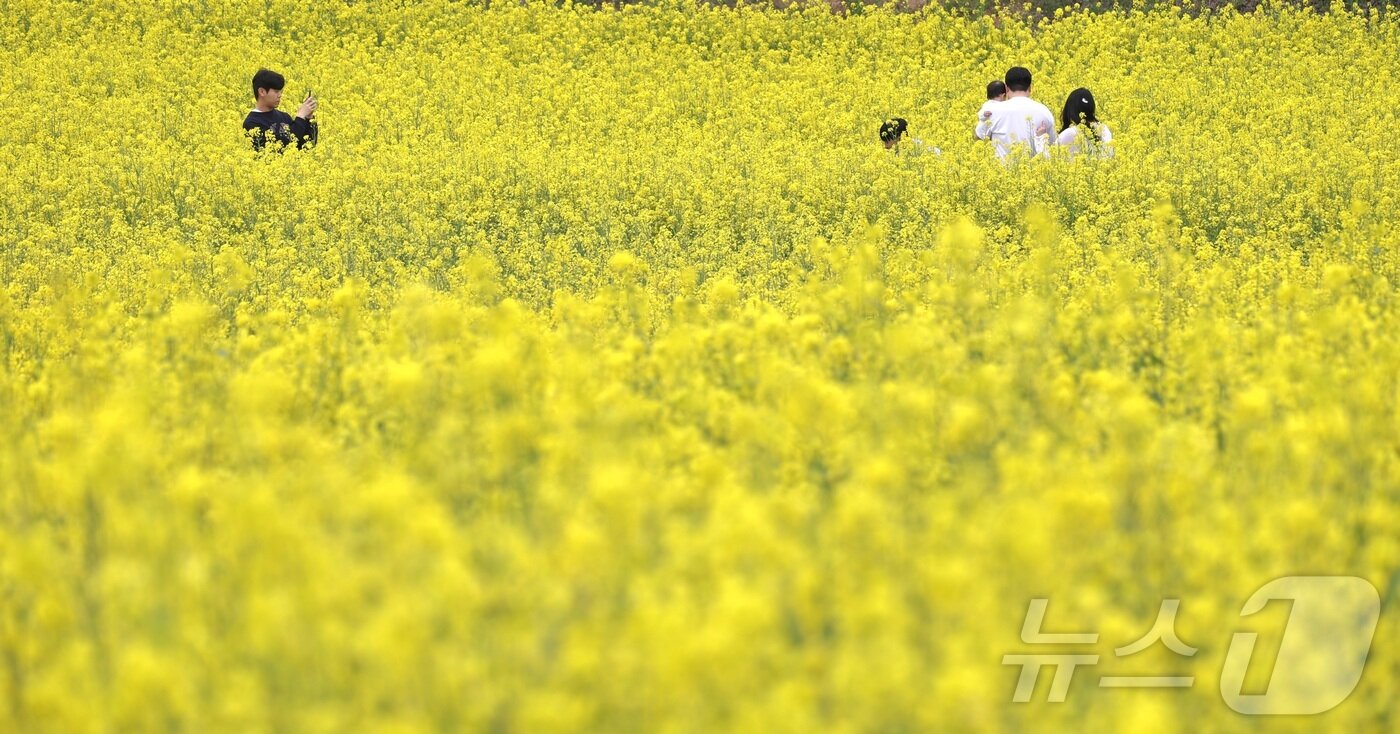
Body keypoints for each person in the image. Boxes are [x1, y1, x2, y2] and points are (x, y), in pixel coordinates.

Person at [974, 67, 1056, 160]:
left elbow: (979, 137)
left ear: (1006, 88)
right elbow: (1053, 146)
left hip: (1000, 172)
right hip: (1035, 171)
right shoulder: (1044, 111)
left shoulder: (993, 111)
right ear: (1030, 87)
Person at [243, 68, 318, 152]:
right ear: (262, 92)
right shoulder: (252, 123)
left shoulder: (284, 117)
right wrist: (300, 117)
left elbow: (307, 146)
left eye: (280, 91)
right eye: (276, 91)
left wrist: (309, 119)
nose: (280, 95)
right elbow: (284, 145)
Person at [1057, 88, 1113, 159]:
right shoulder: (1104, 129)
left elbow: (1047, 158)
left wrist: (1041, 137)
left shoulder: (1070, 133)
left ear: (1070, 109)